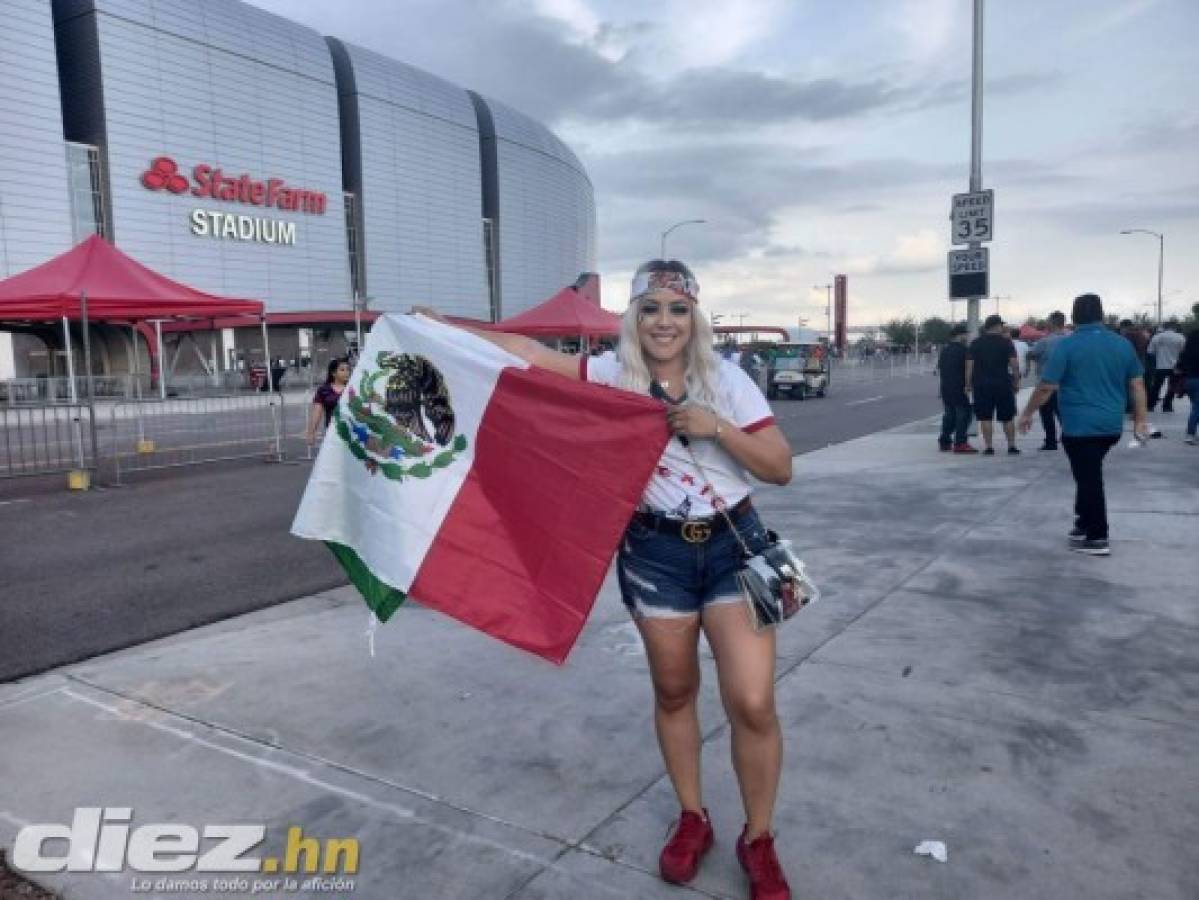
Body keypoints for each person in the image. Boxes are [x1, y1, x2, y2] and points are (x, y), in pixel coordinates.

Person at [417, 259, 795, 899]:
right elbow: (527, 354)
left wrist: (717, 428)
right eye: (651, 309)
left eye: (678, 309)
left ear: (695, 318)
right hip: (655, 556)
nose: (664, 322)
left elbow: (781, 466)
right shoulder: (614, 376)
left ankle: (758, 839)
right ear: (634, 319)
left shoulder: (727, 382)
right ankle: (692, 817)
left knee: (752, 703)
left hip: (735, 547)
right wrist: (439, 326)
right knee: (675, 691)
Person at [1017, 294, 1148, 556]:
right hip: (1111, 426)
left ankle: (1098, 537)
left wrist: (1027, 413)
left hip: (1080, 426)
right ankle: (1082, 522)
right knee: (1086, 474)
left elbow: (1046, 387)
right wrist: (1140, 420)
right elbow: (1137, 384)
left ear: (1074, 316)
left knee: (1090, 479)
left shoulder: (1067, 346)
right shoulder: (1121, 344)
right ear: (1101, 314)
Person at [966, 315, 1021, 455]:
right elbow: (1014, 364)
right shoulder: (1007, 342)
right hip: (1003, 384)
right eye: (1001, 325)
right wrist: (1016, 381)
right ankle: (1011, 446)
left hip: (981, 385)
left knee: (985, 417)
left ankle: (989, 447)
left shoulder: (975, 343)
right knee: (1007, 417)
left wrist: (968, 384)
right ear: (997, 326)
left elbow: (969, 366)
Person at [1026, 311, 1068, 450]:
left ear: (1051, 323)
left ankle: (1050, 441)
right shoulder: (1071, 339)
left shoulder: (1045, 341)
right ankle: (1069, 436)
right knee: (1063, 413)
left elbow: (1032, 354)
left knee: (1047, 413)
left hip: (1046, 383)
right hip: (1065, 384)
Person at [937, 323, 975, 453]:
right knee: (964, 416)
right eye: (966, 334)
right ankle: (960, 443)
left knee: (949, 416)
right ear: (960, 335)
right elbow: (969, 369)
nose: (967, 336)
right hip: (961, 388)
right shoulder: (965, 350)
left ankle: (944, 441)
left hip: (946, 388)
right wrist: (969, 385)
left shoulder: (944, 350)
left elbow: (941, 370)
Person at [305, 358, 350, 445]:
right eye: (342, 370)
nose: (346, 372)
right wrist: (311, 432)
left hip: (353, 433)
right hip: (332, 432)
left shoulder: (353, 389)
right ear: (333, 373)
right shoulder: (324, 390)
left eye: (348, 369)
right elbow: (316, 413)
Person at [1147, 321, 1185, 413]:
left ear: (1164, 327)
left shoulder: (1157, 337)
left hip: (1160, 366)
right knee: (1172, 387)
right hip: (1175, 367)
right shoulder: (1180, 337)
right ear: (1174, 327)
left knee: (1156, 386)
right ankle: (1167, 405)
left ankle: (1150, 405)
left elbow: (1150, 351)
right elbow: (1183, 352)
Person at [1177, 328, 1199, 444]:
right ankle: (1190, 434)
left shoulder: (1186, 353)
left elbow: (1178, 369)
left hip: (1189, 382)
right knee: (1197, 409)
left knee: (1195, 408)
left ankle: (1192, 433)